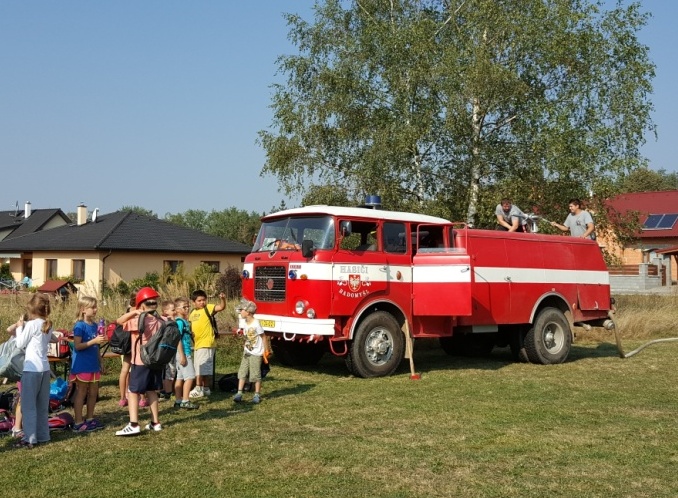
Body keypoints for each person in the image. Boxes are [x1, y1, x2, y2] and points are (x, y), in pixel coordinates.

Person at [115, 287, 164, 436]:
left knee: (133, 391)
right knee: (151, 391)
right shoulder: (160, 320)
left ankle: (134, 424)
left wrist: (135, 312)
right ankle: (156, 423)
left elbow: (119, 321)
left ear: (141, 305)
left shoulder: (137, 321)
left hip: (140, 361)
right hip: (155, 361)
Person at [14, 293, 57, 448]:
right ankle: (43, 435)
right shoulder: (48, 323)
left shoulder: (31, 325)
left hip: (31, 370)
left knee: (28, 406)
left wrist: (20, 328)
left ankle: (30, 438)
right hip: (45, 370)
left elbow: (19, 344)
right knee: (41, 405)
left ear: (32, 309)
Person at [70, 295, 106, 432]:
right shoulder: (79, 326)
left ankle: (90, 418)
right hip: (82, 365)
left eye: (96, 306)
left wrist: (100, 361)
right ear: (83, 309)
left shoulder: (96, 325)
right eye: (93, 307)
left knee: (94, 393)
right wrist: (94, 341)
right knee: (82, 392)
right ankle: (78, 422)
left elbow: (97, 347)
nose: (96, 309)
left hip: (93, 365)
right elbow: (77, 346)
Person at [188, 290, 226, 398]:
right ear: (193, 302)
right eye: (199, 300)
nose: (202, 302)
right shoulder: (192, 313)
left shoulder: (208, 308)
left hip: (207, 343)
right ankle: (206, 389)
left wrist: (222, 299)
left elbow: (221, 307)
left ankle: (199, 388)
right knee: (200, 367)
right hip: (197, 344)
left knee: (201, 368)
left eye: (203, 300)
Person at [233, 299, 270, 404]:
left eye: (242, 310)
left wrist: (266, 351)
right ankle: (239, 393)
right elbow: (248, 336)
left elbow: (263, 337)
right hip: (247, 352)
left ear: (248, 312)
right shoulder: (245, 323)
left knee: (255, 374)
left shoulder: (256, 324)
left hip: (256, 353)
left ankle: (257, 394)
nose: (240, 312)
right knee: (242, 372)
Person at [115, 294, 148, 409]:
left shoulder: (128, 312)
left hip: (126, 346)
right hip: (138, 347)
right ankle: (143, 399)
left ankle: (123, 398)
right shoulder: (141, 312)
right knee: (140, 371)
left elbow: (118, 322)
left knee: (124, 371)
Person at [173, 297, 198, 409]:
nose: (187, 309)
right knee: (190, 377)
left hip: (181, 353)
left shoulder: (183, 321)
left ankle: (178, 400)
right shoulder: (179, 322)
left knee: (180, 377)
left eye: (188, 306)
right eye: (184, 307)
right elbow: (177, 338)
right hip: (183, 352)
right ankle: (185, 400)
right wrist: (182, 355)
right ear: (177, 309)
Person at [6, 316, 25, 439]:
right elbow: (9, 329)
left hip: (27, 370)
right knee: (23, 399)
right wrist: (19, 324)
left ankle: (21, 425)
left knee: (24, 398)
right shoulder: (20, 332)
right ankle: (17, 427)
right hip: (22, 371)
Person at [158, 300, 177, 401]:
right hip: (167, 350)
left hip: (168, 350)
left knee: (169, 371)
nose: (174, 311)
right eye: (172, 310)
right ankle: (166, 392)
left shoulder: (163, 320)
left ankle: (166, 391)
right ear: (165, 311)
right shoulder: (166, 321)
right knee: (168, 371)